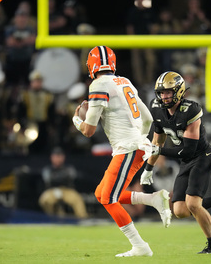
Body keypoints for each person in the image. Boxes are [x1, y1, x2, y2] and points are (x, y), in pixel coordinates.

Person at [72, 46, 172, 257]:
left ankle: (140, 246)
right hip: (133, 146)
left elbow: (89, 131)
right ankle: (153, 199)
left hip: (128, 148)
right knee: (101, 194)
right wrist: (139, 139)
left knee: (108, 198)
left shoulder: (98, 84)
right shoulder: (124, 81)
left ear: (92, 65)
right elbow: (147, 119)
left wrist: (76, 120)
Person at [140, 71, 211, 254]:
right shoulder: (157, 109)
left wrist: (159, 151)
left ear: (179, 91)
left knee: (192, 204)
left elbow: (188, 149)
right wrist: (148, 169)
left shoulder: (191, 110)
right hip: (185, 160)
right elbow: (157, 142)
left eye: (168, 92)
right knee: (180, 210)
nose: (164, 96)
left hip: (202, 156)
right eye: (161, 92)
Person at [38, 146, 88, 219]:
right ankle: (51, 218)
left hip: (66, 190)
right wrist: (62, 177)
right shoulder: (47, 169)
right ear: (51, 157)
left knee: (77, 199)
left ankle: (83, 219)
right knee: (44, 200)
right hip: (52, 190)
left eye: (59, 156)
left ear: (63, 157)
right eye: (55, 156)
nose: (58, 159)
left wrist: (58, 178)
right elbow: (49, 179)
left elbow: (72, 176)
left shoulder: (68, 168)